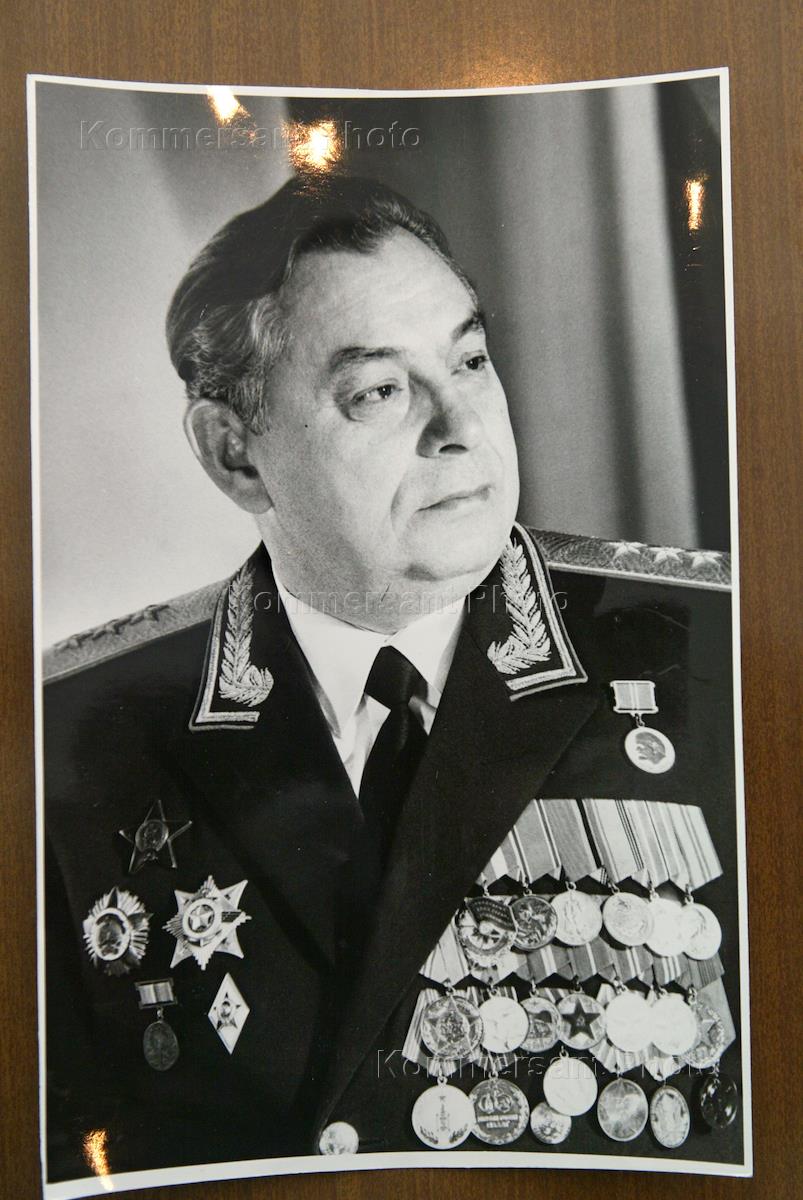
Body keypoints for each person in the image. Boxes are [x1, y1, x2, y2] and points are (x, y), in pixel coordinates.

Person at [43, 175, 744, 1184]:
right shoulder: (71, 733)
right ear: (235, 456)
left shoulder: (721, 650)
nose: (460, 423)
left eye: (469, 360)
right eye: (377, 390)